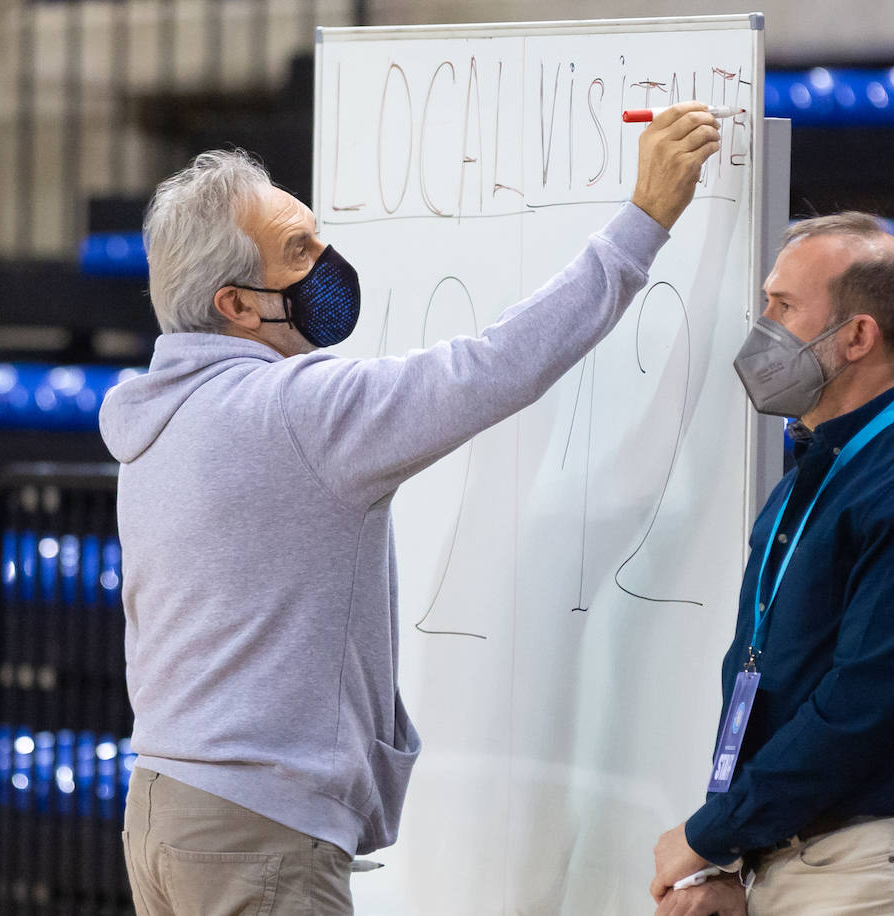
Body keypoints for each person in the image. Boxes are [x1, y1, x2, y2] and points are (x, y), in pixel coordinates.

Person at [101, 102, 720, 916]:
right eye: (299, 252)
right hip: (260, 830)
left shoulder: (152, 414)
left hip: (164, 808)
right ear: (237, 306)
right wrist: (642, 223)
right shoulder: (294, 409)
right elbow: (495, 367)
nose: (328, 261)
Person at [649, 213, 894, 916]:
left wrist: (708, 835)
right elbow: (773, 684)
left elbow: (858, 709)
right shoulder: (821, 466)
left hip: (881, 867)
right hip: (808, 860)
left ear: (857, 336)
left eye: (783, 307)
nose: (762, 325)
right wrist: (734, 857)